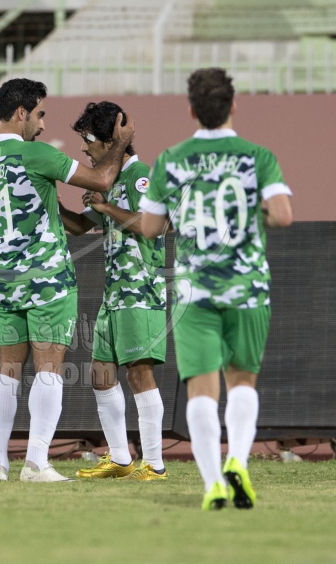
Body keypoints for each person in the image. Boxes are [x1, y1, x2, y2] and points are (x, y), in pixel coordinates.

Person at [0, 78, 134, 482]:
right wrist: (122, 143)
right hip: (48, 279)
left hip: (6, 279)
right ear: (20, 113)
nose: (41, 125)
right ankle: (36, 463)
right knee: (49, 370)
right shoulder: (37, 154)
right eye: (39, 115)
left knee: (6, 370)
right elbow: (103, 179)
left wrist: (9, 221)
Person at [140, 68, 292, 509]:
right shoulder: (257, 156)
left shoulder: (172, 159)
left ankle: (213, 485)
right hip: (247, 288)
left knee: (201, 390)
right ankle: (238, 461)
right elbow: (282, 215)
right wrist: (251, 219)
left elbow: (149, 227)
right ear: (233, 105)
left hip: (195, 293)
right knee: (242, 381)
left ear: (192, 111)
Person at [57, 101, 167, 481]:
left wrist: (106, 209)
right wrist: (51, 204)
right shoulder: (110, 181)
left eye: (88, 140)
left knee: (139, 375)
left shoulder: (140, 176)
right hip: (115, 295)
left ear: (109, 140)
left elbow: (154, 225)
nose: (83, 148)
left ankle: (154, 464)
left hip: (141, 291)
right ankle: (120, 459)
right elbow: (79, 226)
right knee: (101, 374)